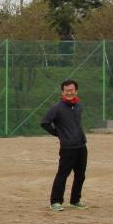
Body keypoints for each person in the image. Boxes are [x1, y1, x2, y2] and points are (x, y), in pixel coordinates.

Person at [40, 79, 88, 212]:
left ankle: (75, 200)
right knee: (63, 174)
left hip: (81, 146)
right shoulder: (57, 108)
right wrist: (58, 134)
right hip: (68, 148)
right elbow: (45, 122)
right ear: (62, 92)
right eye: (66, 91)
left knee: (80, 175)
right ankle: (55, 201)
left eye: (71, 90)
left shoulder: (78, 106)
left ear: (76, 91)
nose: (69, 93)